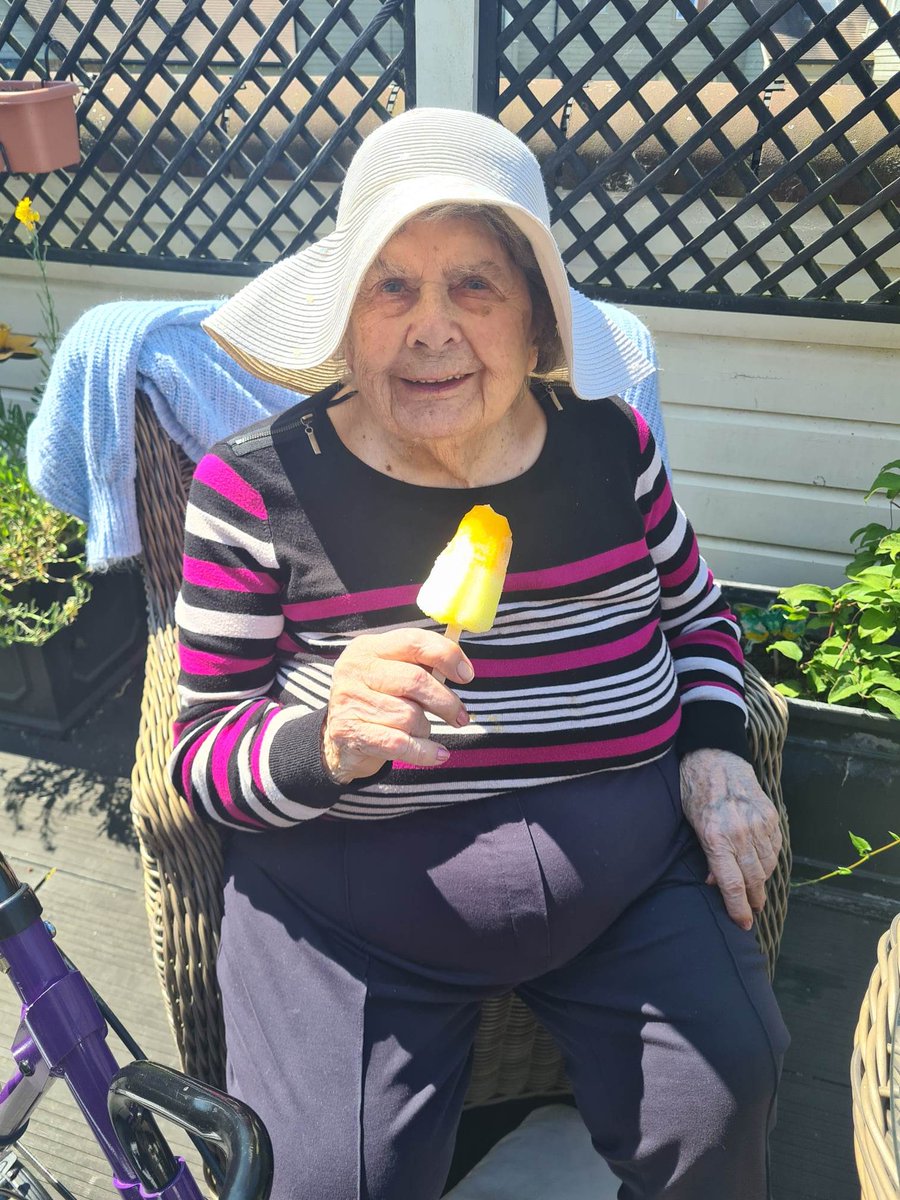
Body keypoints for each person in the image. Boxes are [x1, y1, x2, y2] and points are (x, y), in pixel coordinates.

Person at [168, 107, 789, 1200]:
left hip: (634, 887)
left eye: (475, 286)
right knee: (326, 1185)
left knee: (724, 1098)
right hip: (349, 917)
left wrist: (715, 748)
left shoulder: (611, 445)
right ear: (346, 317)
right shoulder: (253, 488)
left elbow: (699, 620)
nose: (431, 329)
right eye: (391, 287)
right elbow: (200, 753)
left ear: (536, 319)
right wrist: (326, 739)